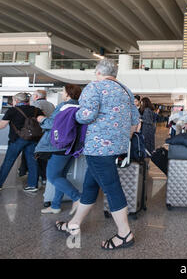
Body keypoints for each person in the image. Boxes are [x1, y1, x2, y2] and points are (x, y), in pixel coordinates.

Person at [54, 59, 140, 250]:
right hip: (115, 147)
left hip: (97, 148)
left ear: (98, 72)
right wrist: (121, 137)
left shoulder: (95, 87)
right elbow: (135, 120)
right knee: (90, 186)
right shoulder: (125, 90)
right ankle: (74, 224)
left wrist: (71, 114)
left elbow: (87, 115)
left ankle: (125, 234)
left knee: (112, 187)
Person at [35, 84, 83, 214]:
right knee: (60, 176)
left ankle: (77, 197)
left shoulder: (64, 106)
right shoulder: (79, 106)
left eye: (63, 91)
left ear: (68, 93)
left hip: (58, 145)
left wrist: (41, 119)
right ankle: (56, 205)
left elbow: (53, 124)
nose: (62, 93)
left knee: (52, 176)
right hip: (72, 146)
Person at [0, 93, 44, 193]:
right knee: (32, 161)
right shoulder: (36, 110)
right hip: (33, 139)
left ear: (16, 100)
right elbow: (43, 121)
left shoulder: (12, 110)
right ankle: (33, 185)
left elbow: (2, 125)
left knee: (8, 162)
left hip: (17, 139)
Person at [19, 90, 56, 184]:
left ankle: (35, 175)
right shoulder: (51, 104)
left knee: (35, 155)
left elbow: (34, 119)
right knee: (44, 155)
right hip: (48, 133)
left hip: (37, 133)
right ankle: (44, 177)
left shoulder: (36, 104)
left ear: (36, 96)